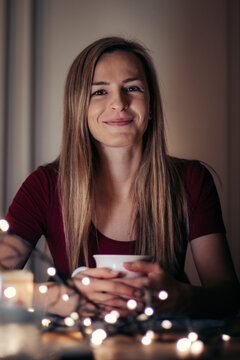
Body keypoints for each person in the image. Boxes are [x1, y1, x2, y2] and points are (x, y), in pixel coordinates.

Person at [2, 37, 239, 318]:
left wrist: (181, 298)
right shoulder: (44, 186)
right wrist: (60, 296)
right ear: (80, 108)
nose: (119, 103)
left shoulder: (191, 180)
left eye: (132, 88)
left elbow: (228, 296)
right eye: (100, 92)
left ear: (150, 106)